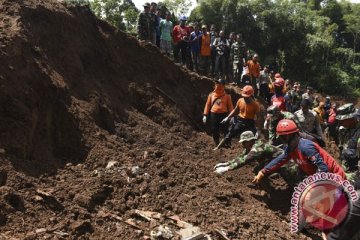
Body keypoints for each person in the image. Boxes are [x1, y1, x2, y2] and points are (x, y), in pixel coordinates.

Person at [253, 119, 347, 184]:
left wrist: (312, 186)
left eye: (281, 136)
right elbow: (280, 160)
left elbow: (323, 169)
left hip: (335, 178)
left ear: (288, 136)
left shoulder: (306, 147)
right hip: (322, 178)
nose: (280, 139)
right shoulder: (290, 147)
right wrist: (263, 171)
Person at [214, 131, 291, 179]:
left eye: (244, 142)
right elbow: (241, 157)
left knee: (290, 179)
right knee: (257, 170)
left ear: (250, 141)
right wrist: (226, 164)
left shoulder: (257, 147)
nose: (243, 144)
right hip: (272, 161)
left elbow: (246, 159)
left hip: (286, 163)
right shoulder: (250, 147)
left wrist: (227, 169)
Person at [214, 85, 260, 150]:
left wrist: (258, 128)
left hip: (250, 122)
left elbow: (258, 118)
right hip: (240, 121)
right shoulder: (240, 100)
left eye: (246, 97)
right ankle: (218, 147)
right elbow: (236, 110)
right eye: (244, 96)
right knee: (229, 134)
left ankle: (253, 151)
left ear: (251, 95)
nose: (245, 98)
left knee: (254, 137)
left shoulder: (255, 105)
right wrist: (227, 117)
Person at [203, 79, 234, 146]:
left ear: (223, 85)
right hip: (214, 114)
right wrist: (205, 115)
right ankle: (217, 142)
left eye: (219, 84)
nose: (218, 85)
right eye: (217, 83)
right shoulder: (211, 95)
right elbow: (207, 105)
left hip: (224, 114)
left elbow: (230, 107)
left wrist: (231, 116)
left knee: (225, 129)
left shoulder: (227, 96)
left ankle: (227, 142)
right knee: (214, 129)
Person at [336, 103, 360, 172]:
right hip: (344, 168)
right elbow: (342, 146)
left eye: (342, 120)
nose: (340, 122)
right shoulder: (343, 129)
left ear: (351, 118)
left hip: (355, 174)